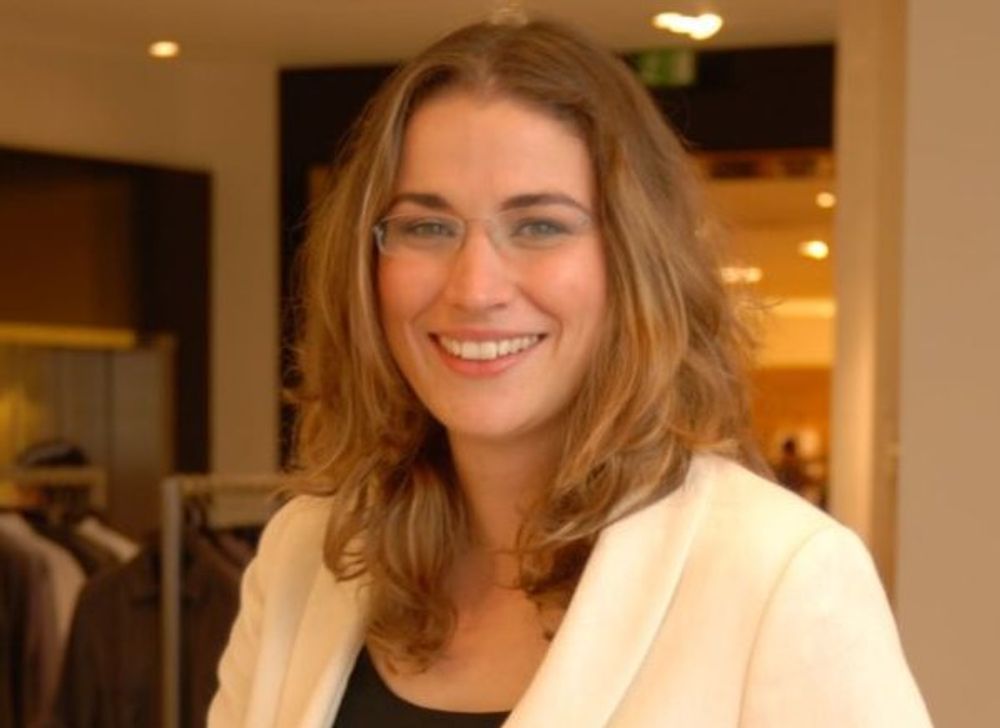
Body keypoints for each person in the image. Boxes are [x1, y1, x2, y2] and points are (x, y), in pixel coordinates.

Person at [208, 17, 932, 728]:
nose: (475, 287)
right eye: (427, 226)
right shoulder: (305, 554)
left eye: (539, 226)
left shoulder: (778, 574)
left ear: (634, 260)